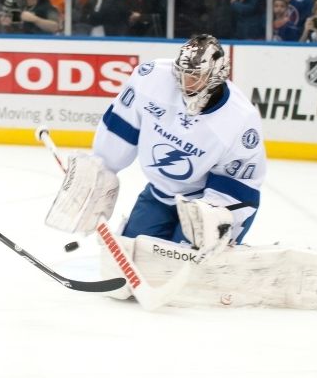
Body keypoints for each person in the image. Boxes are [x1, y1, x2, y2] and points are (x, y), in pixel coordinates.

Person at [51, 35, 264, 256]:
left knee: (186, 269)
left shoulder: (240, 120)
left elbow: (238, 182)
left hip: (205, 204)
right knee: (131, 258)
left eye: (196, 76)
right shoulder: (151, 78)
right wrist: (100, 172)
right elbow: (121, 127)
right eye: (183, 73)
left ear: (215, 77)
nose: (186, 82)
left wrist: (214, 216)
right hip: (159, 193)